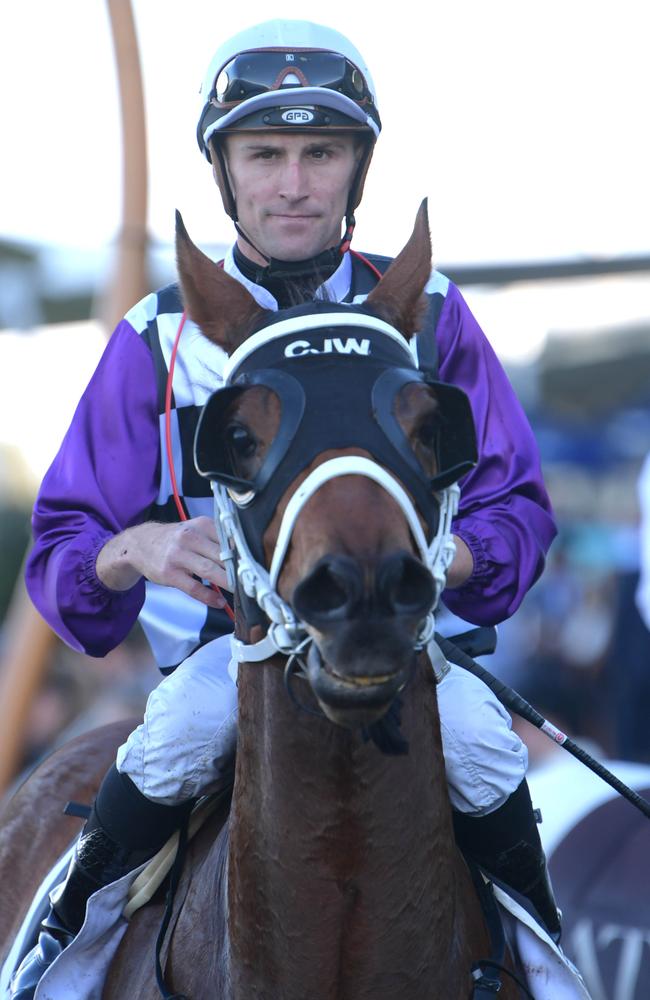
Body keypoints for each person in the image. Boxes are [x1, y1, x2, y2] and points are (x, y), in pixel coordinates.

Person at [12, 19, 560, 997]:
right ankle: (52, 952)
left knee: (481, 745)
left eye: (322, 152)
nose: (294, 182)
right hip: (230, 658)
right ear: (225, 171)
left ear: (358, 167)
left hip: (405, 649)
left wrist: (452, 559)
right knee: (180, 726)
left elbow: (514, 503)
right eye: (264, 154)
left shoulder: (429, 315)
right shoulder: (157, 335)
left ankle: (551, 966)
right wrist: (135, 544)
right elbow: (61, 545)